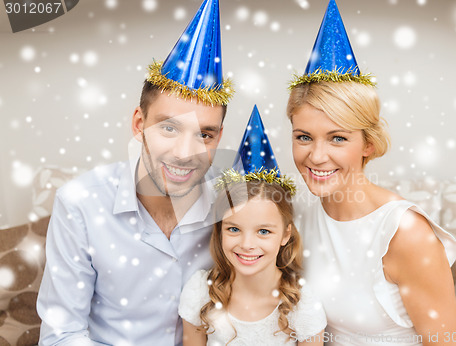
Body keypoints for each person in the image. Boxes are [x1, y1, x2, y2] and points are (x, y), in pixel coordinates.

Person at [36, 0, 234, 345]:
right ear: (139, 124)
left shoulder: (232, 200)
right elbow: (62, 334)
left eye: (205, 134)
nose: (185, 154)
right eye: (169, 128)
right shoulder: (81, 203)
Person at [286, 0, 456, 345]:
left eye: (338, 138)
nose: (317, 156)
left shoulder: (405, 234)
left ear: (368, 144)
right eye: (304, 137)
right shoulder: (299, 215)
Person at [178, 106, 327, 345]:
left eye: (264, 231)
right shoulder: (200, 292)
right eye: (234, 229)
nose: (247, 245)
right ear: (219, 230)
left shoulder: (301, 305)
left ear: (285, 234)